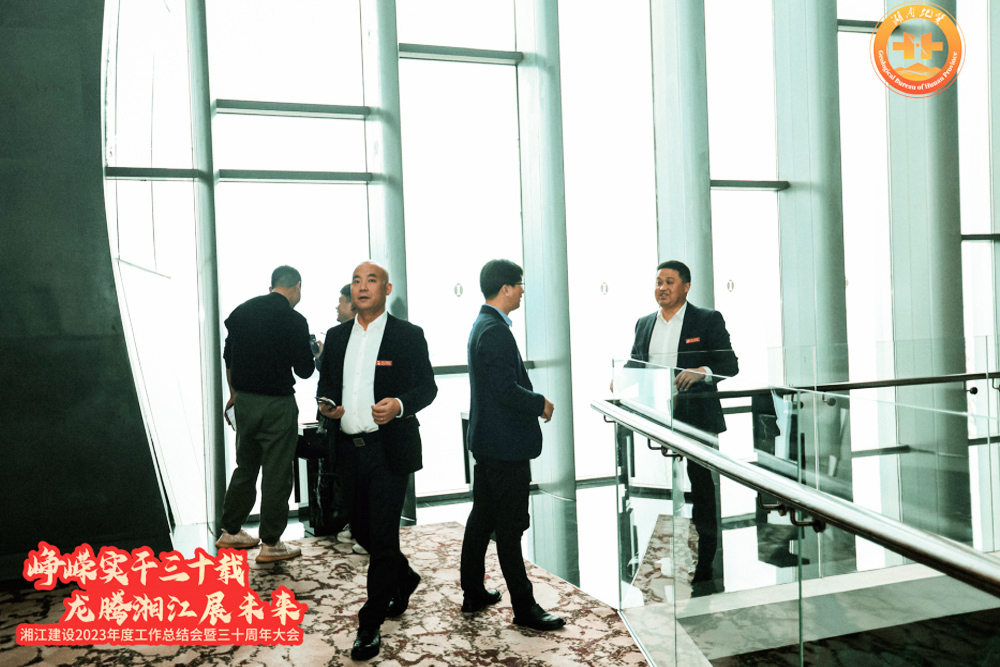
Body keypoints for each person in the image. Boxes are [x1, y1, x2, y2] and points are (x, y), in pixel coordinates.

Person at [316, 260, 437, 661]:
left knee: (383, 536)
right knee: (363, 532)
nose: (362, 286)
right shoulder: (336, 337)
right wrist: (327, 405)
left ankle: (369, 624)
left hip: (388, 451)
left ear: (386, 290)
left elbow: (427, 387)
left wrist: (400, 404)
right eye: (356, 281)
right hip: (348, 450)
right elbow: (326, 385)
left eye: (371, 280)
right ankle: (403, 577)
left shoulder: (407, 335)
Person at [460, 259, 565, 631]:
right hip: (504, 446)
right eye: (520, 284)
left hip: (490, 442)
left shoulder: (484, 324)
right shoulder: (495, 331)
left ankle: (473, 591)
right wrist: (540, 403)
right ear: (505, 288)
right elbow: (505, 390)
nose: (522, 291)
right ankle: (524, 606)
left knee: (482, 518)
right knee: (509, 527)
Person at [629, 259, 738, 593]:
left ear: (686, 287)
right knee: (661, 490)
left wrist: (703, 371)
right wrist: (621, 379)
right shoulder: (644, 323)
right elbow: (636, 363)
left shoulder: (707, 319)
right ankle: (663, 554)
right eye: (658, 282)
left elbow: (729, 364)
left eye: (669, 282)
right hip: (657, 420)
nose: (662, 288)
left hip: (696, 421)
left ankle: (705, 562)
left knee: (702, 489)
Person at [216, 265, 317, 563]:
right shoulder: (295, 320)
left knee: (245, 467)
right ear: (297, 286)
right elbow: (304, 370)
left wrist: (234, 393)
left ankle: (230, 531)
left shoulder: (242, 312)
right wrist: (314, 351)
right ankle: (271, 543)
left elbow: (228, 356)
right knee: (277, 473)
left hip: (245, 402)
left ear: (271, 285)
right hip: (277, 405)